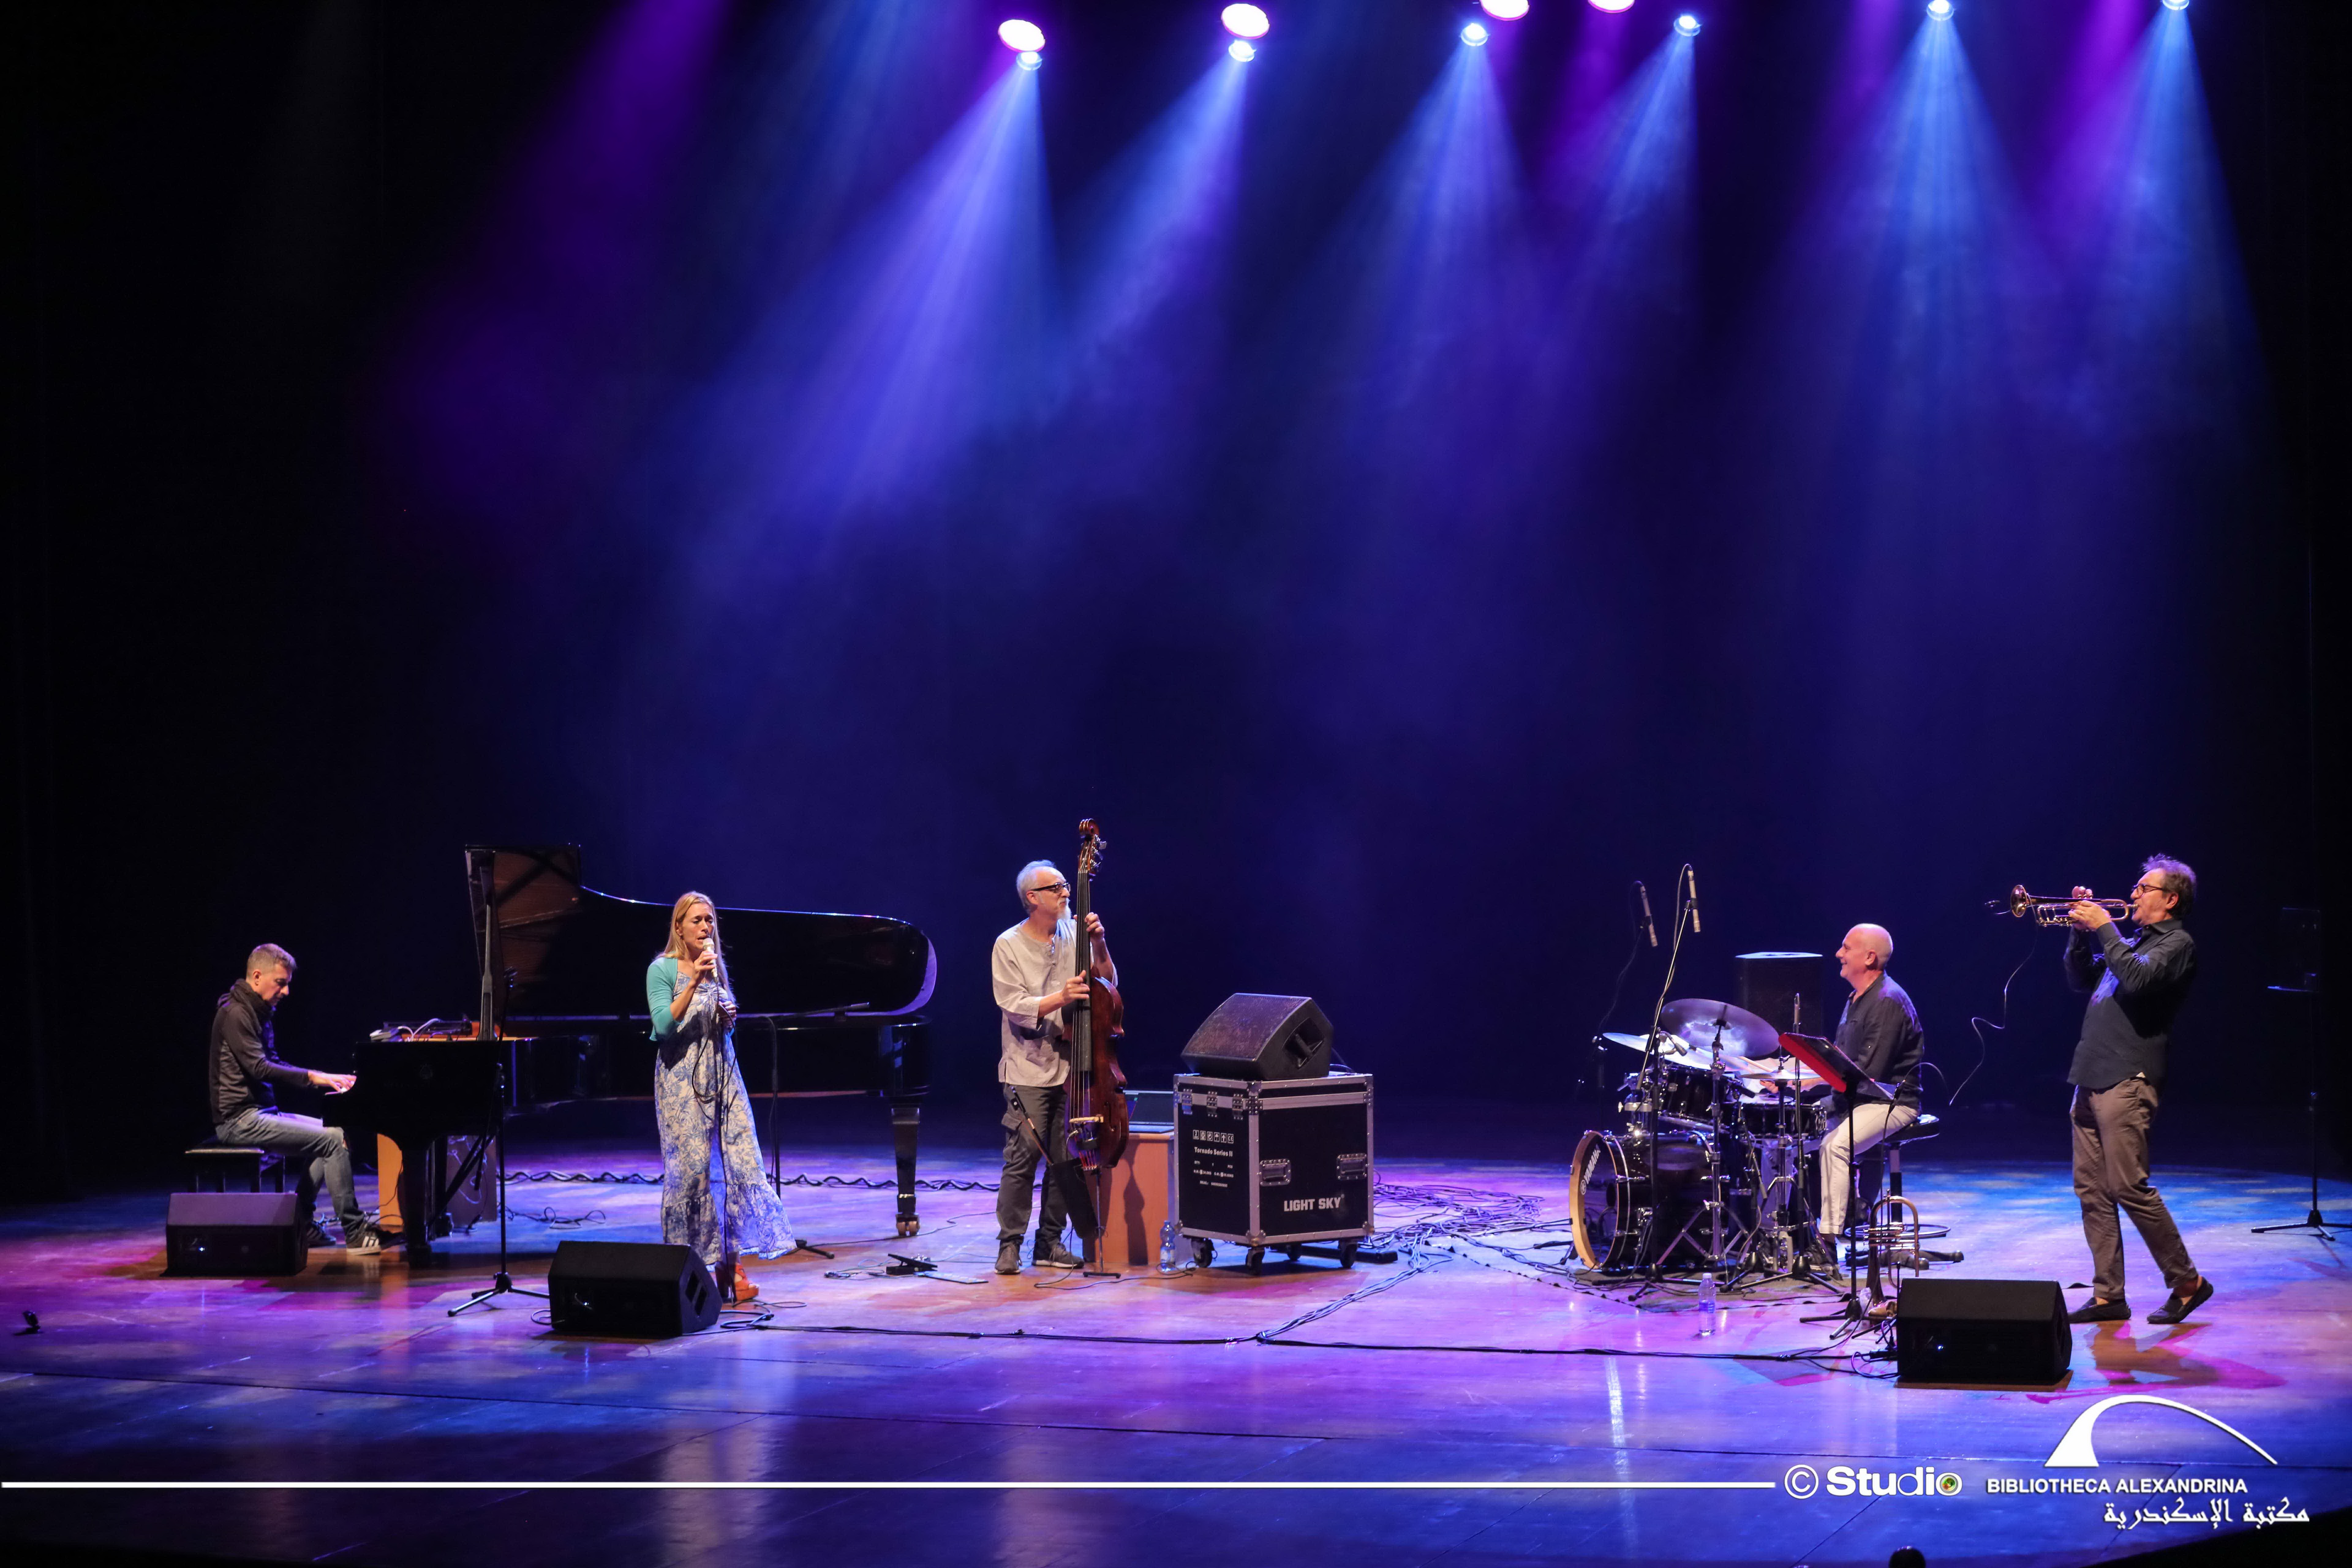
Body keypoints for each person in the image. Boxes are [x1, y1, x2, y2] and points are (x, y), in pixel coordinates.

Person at [2063, 856, 2211, 1325]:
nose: (2132, 895)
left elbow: (2140, 979)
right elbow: (2080, 979)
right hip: (2091, 1075)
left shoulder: (2177, 945)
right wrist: (2080, 934)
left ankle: (2188, 1282)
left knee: (2129, 1185)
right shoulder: (2132, 944)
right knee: (2092, 1190)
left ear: (2170, 899)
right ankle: (2109, 1296)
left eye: (2144, 888)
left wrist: (2104, 927)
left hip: (2129, 1077)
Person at [648, 893, 796, 1304]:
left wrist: (729, 1017)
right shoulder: (662, 969)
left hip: (724, 1074)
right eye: (697, 920)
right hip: (682, 1082)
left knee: (743, 1161)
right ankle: (691, 1268)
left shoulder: (716, 966)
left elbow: (722, 1027)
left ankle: (733, 1266)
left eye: (710, 920)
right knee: (694, 1172)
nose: (705, 927)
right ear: (679, 926)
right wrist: (695, 982)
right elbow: (662, 1027)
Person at [990, 860, 1118, 1276]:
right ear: (1033, 898)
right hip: (1027, 1068)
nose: (1067, 892)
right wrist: (1061, 997)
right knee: (1024, 1156)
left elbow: (1108, 985)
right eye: (1057, 887)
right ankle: (1010, 1244)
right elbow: (1013, 1005)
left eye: (1066, 884)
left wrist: (1099, 944)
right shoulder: (1008, 944)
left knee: (1068, 1159)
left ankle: (1050, 1243)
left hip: (1072, 1067)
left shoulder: (1074, 932)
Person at [209, 944, 379, 1253]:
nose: (286, 991)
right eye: (281, 983)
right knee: (331, 1140)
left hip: (262, 1113)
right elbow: (259, 1067)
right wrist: (313, 1076)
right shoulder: (236, 1013)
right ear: (257, 977)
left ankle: (300, 1220)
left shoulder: (259, 1012)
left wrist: (324, 1076)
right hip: (238, 1120)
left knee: (334, 1133)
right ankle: (355, 1233)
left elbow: (273, 1061)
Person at [1808, 923, 1924, 1275]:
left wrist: (1812, 1079)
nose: (1838, 954)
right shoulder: (1856, 997)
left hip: (1892, 1102)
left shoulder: (1888, 1001)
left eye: (1846, 948)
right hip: (1857, 1099)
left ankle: (1828, 1240)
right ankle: (1780, 1234)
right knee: (1784, 1129)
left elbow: (1867, 1073)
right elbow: (1843, 1061)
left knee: (1835, 1145)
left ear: (1869, 957)